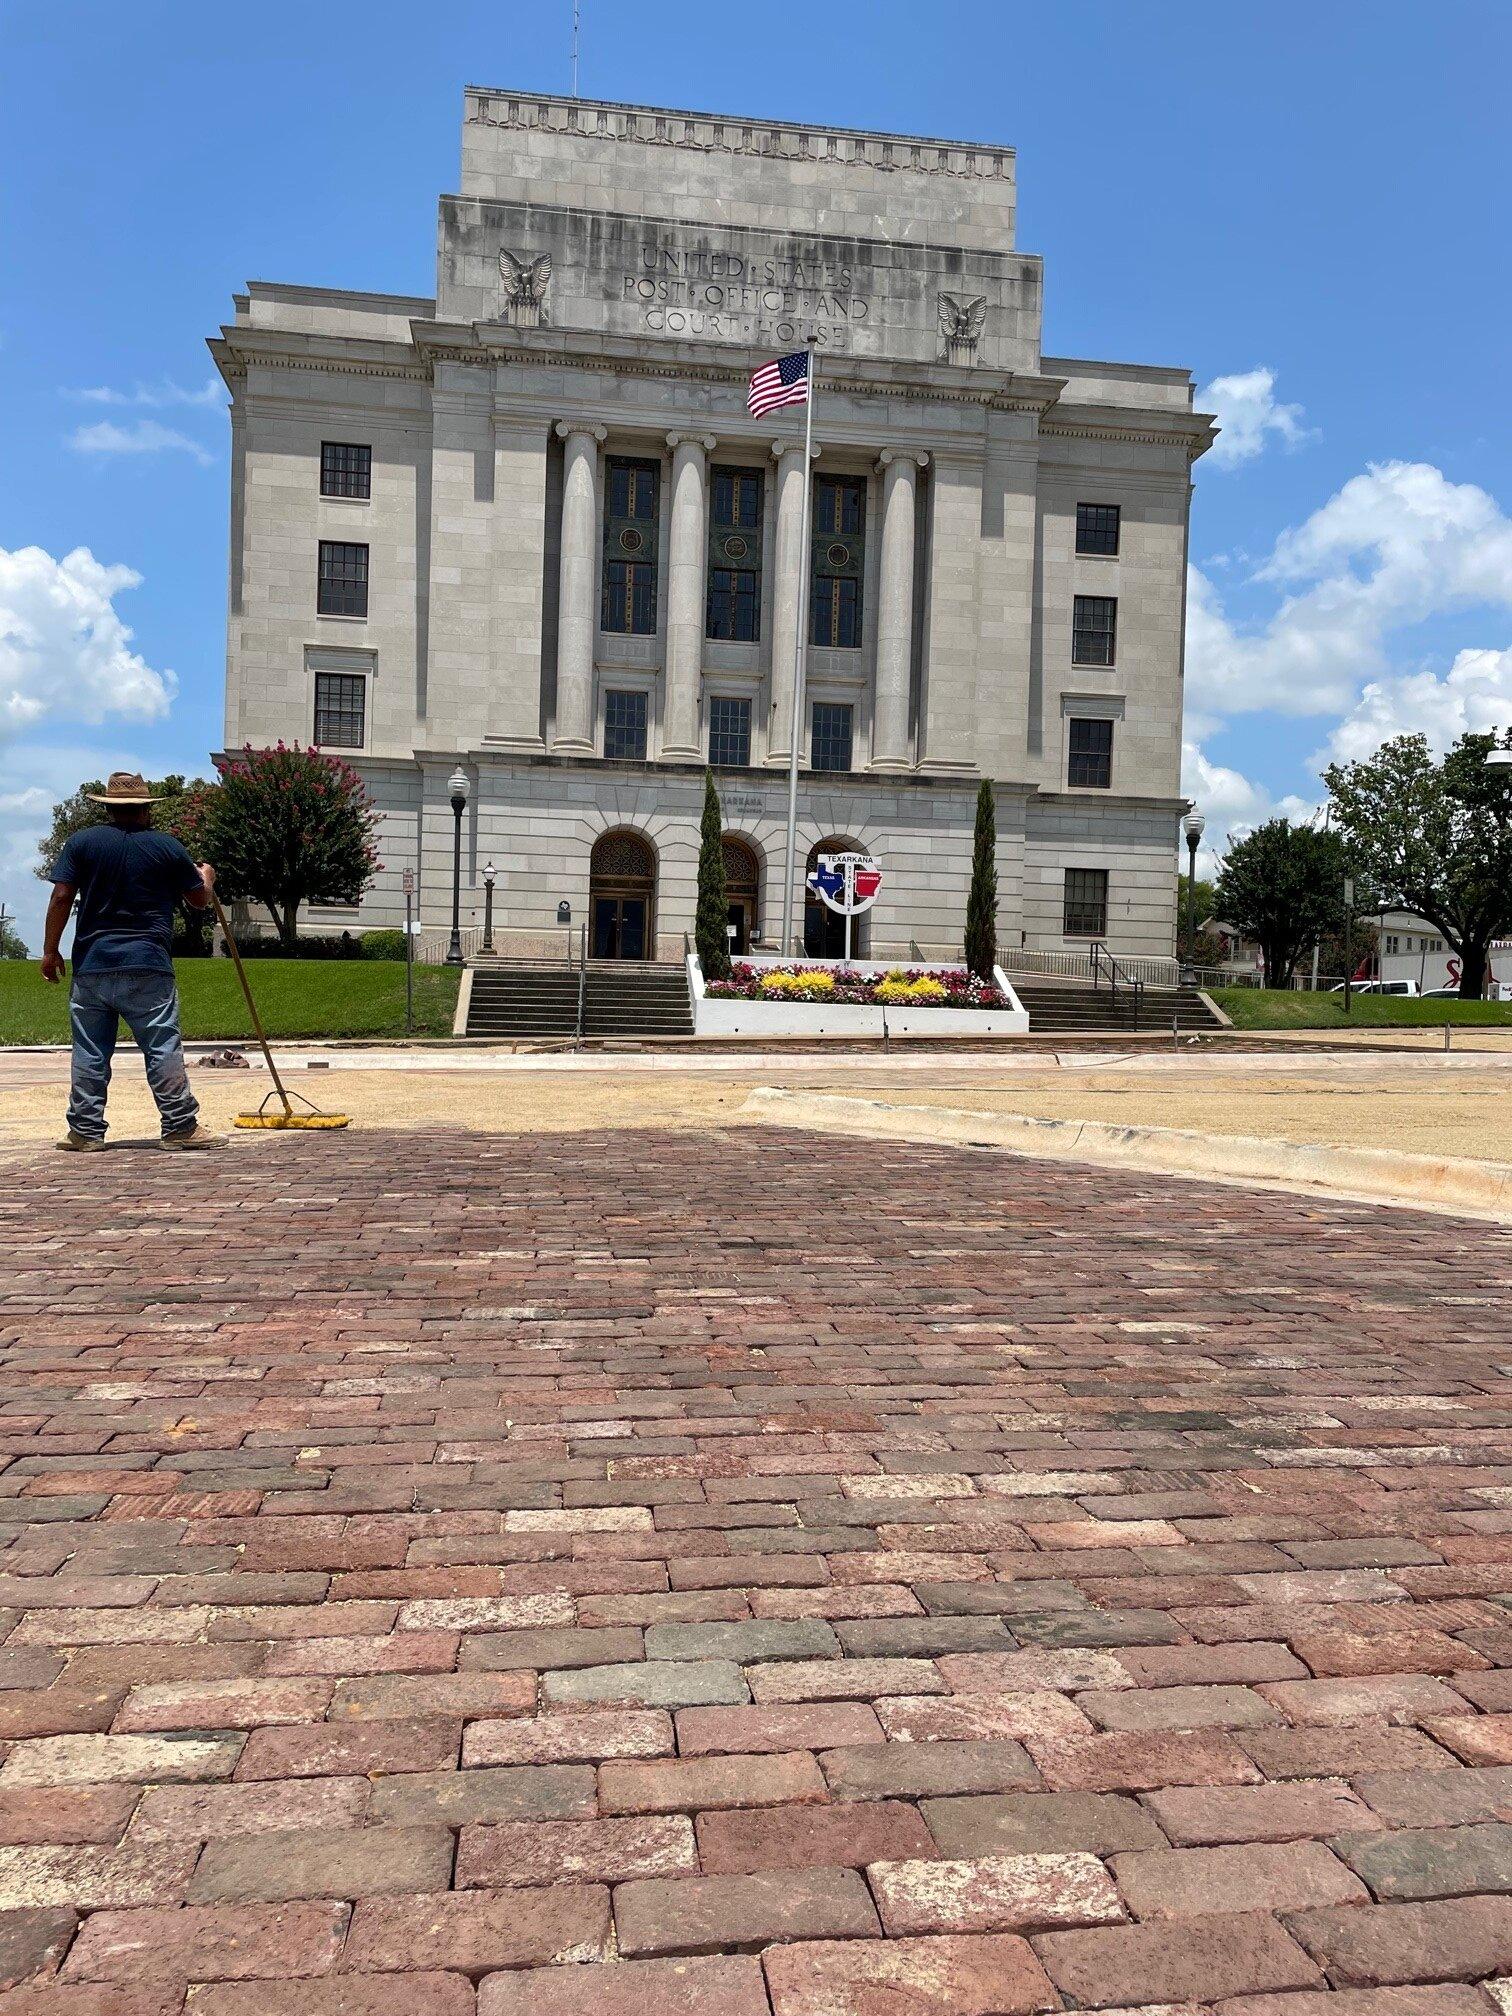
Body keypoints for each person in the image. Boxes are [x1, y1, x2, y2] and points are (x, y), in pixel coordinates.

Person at [41, 772, 220, 1151]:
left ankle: (85, 1132)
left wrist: (50, 950)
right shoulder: (167, 847)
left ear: (107, 807)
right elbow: (198, 900)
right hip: (148, 962)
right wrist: (207, 878)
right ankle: (179, 1127)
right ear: (146, 810)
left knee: (90, 1049)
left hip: (92, 962)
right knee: (161, 1046)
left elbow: (60, 896)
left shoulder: (82, 842)